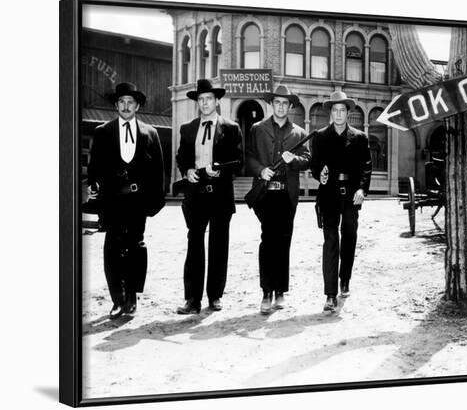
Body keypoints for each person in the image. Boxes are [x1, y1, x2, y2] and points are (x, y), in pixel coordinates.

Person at [87, 82, 165, 319]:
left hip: (137, 200)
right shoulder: (103, 132)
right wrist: (94, 187)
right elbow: (94, 169)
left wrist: (154, 203)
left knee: (135, 247)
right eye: (121, 101)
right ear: (116, 105)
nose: (126, 106)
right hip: (112, 200)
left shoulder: (150, 133)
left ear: (137, 105)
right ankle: (117, 299)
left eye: (130, 102)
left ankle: (131, 296)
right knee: (112, 247)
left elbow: (158, 170)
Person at [176, 79, 243, 314]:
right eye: (200, 100)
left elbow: (239, 162)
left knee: (218, 245)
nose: (204, 103)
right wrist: (188, 171)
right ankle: (192, 299)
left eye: (208, 99)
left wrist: (221, 170)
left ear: (217, 101)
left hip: (220, 196)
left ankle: (215, 296)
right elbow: (181, 157)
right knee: (194, 244)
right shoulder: (187, 128)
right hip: (195, 196)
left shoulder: (232, 128)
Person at [246, 85, 311, 314]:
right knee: (268, 240)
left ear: (290, 106)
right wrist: (260, 170)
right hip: (265, 193)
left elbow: (307, 159)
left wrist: (293, 159)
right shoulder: (257, 129)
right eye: (277, 102)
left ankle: (280, 291)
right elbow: (249, 156)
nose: (281, 106)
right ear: (271, 104)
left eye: (285, 103)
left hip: (287, 194)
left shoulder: (300, 133)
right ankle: (266, 291)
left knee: (284, 241)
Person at [310, 91, 372, 313]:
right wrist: (320, 174)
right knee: (330, 241)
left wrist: (362, 189)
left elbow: (366, 165)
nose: (338, 113)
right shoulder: (320, 137)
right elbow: (314, 165)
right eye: (335, 110)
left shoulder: (359, 137)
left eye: (342, 110)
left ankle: (344, 278)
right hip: (328, 194)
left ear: (348, 113)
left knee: (349, 237)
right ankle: (330, 294)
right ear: (331, 113)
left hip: (351, 196)